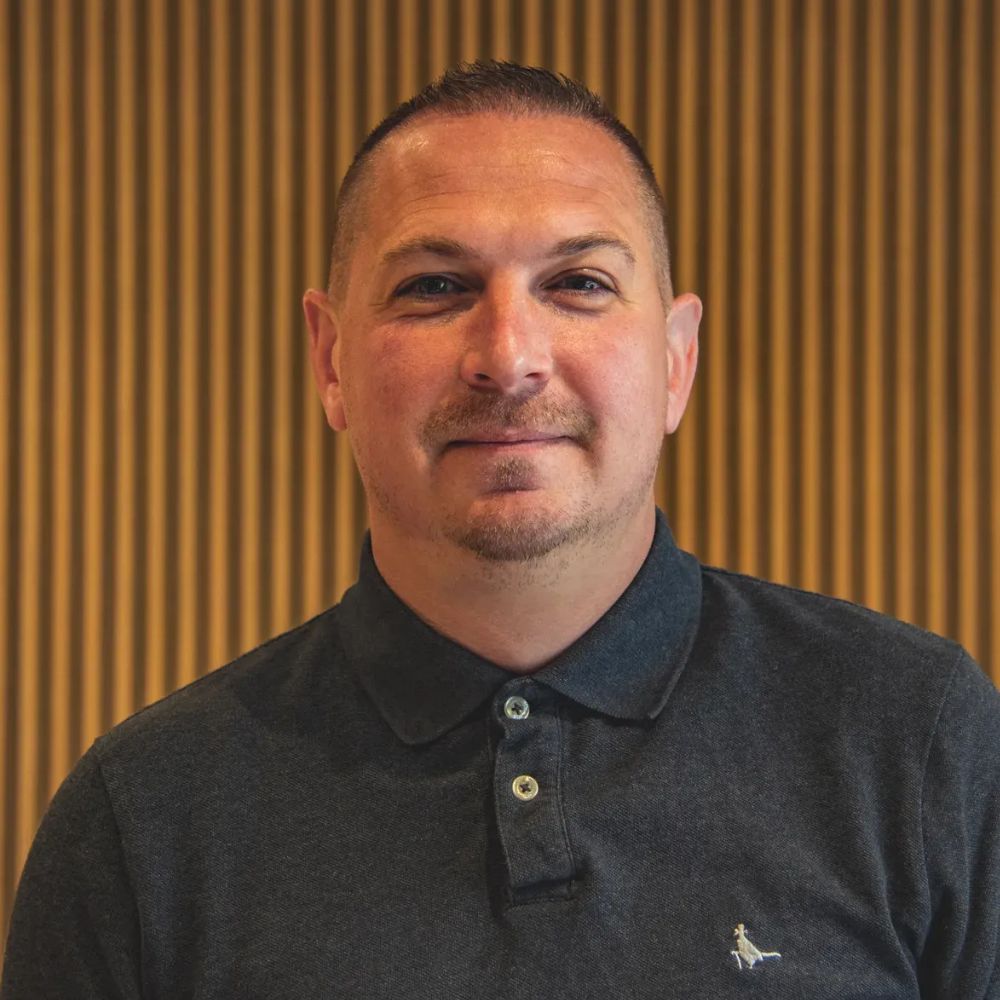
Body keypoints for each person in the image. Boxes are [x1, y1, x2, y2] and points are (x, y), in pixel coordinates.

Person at [2, 60, 999, 1000]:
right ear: (330, 357)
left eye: (579, 284)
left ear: (675, 360)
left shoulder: (917, 743)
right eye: (434, 286)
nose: (509, 356)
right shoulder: (142, 821)